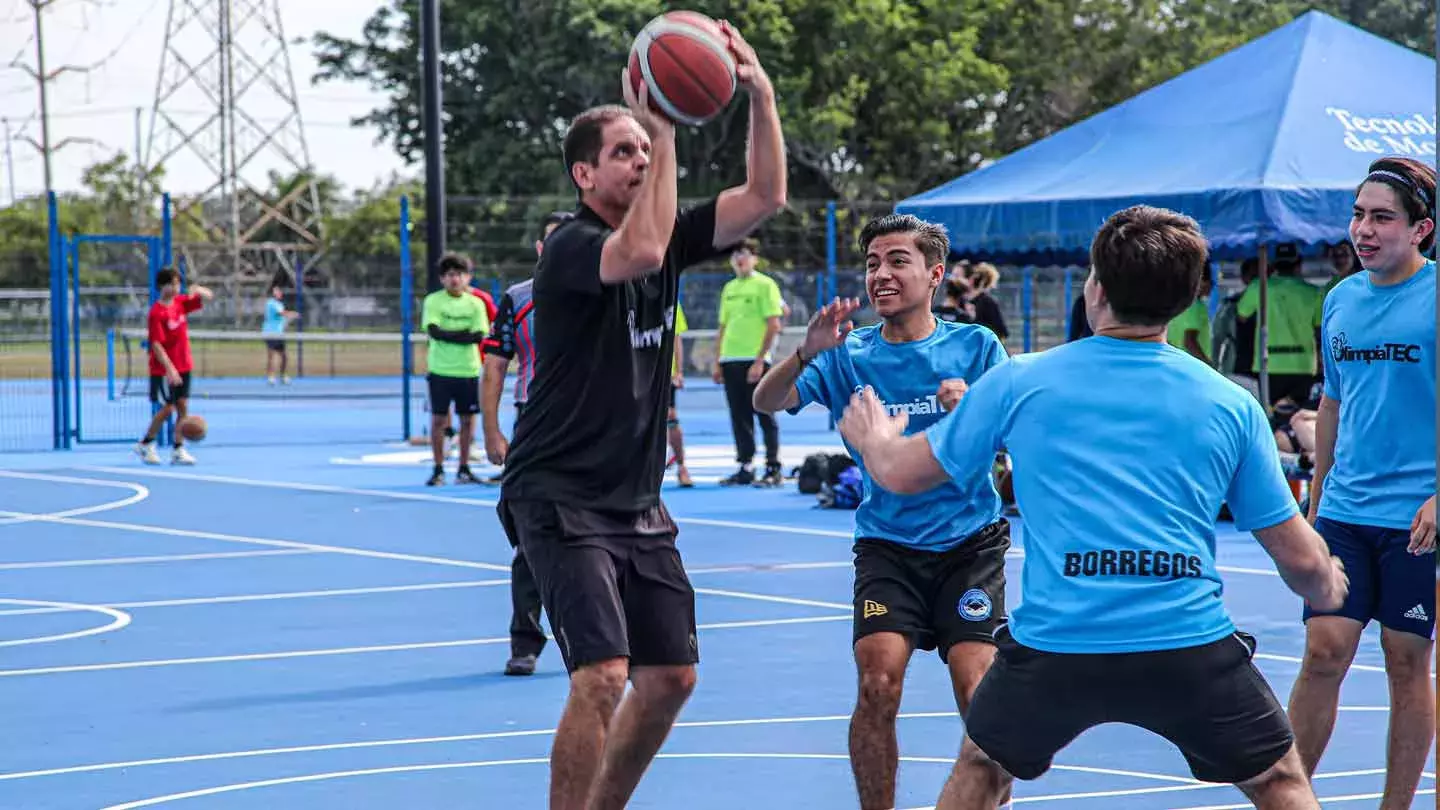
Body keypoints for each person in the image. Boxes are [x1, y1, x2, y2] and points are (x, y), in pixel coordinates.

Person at [836, 204, 1349, 810]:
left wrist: (874, 438)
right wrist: (1327, 582)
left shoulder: (1021, 382)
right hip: (1183, 640)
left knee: (981, 766)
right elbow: (1298, 559)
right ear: (1185, 300)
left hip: (1060, 642)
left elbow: (900, 473)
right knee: (1281, 781)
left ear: (1096, 289)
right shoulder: (1228, 404)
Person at [495, 21, 785, 810]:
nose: (642, 158)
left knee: (672, 677)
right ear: (584, 173)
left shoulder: (671, 233)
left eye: (645, 149)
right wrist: (660, 118)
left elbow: (765, 197)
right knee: (602, 675)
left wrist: (758, 94)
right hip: (558, 492)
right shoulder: (572, 247)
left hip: (636, 500)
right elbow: (644, 251)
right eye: (624, 151)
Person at [753, 213, 1009, 810]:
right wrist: (803, 353)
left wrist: (974, 409)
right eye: (872, 263)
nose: (881, 274)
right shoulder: (849, 354)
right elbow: (766, 400)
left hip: (970, 546)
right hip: (888, 547)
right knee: (876, 684)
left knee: (979, 690)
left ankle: (993, 799)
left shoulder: (975, 348)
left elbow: (1019, 433)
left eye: (897, 260)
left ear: (934, 274)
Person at [1286, 156, 1436, 810]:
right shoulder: (1340, 299)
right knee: (1324, 651)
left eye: (1382, 217)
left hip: (1416, 519)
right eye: (1357, 215)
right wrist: (1315, 511)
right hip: (1346, 511)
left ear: (1421, 229)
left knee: (1407, 662)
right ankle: (1287, 797)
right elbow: (1333, 407)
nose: (1363, 229)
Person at [481, 210, 573, 676]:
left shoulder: (611, 290)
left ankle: (611, 637)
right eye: (553, 242)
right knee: (529, 536)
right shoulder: (518, 298)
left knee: (613, 532)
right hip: (534, 426)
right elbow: (496, 365)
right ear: (540, 249)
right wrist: (491, 428)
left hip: (594, 427)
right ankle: (526, 640)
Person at [712, 237, 785, 486]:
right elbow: (722, 326)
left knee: (764, 411)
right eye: (734, 255)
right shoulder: (729, 288)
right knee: (739, 415)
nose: (739, 259)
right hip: (730, 359)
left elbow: (774, 324)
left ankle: (773, 468)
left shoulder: (766, 285)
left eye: (744, 253)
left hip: (755, 360)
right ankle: (745, 466)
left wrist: (759, 360)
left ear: (754, 258)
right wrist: (717, 360)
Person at [422, 252, 490, 486]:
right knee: (439, 420)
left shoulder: (476, 303)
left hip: (468, 370)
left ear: (468, 277)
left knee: (468, 421)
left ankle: (464, 468)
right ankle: (438, 468)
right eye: (450, 275)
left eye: (460, 274)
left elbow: (478, 335)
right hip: (440, 370)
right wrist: (461, 335)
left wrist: (450, 335)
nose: (455, 279)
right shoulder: (433, 301)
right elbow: (434, 331)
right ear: (442, 278)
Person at [135, 267, 214, 465]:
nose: (177, 287)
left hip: (184, 364)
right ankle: (145, 444)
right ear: (163, 286)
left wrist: (198, 289)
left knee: (183, 406)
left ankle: (178, 449)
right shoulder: (156, 313)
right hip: (163, 369)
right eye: (173, 283)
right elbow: (156, 344)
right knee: (167, 408)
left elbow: (208, 297)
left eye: (179, 283)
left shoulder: (180, 303)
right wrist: (169, 368)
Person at [668, 300, 694, 487]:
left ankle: (682, 467)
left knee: (671, 417)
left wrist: (679, 371)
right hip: (635, 371)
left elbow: (676, 337)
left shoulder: (669, 297)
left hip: (664, 373)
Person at [261, 284, 297, 385]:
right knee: (271, 356)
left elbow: (282, 318)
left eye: (279, 291)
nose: (279, 293)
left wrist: (289, 319)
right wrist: (293, 314)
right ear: (273, 294)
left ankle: (283, 376)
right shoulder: (271, 303)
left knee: (285, 356)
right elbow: (282, 313)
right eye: (277, 291)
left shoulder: (280, 304)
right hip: (270, 333)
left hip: (279, 334)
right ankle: (271, 377)